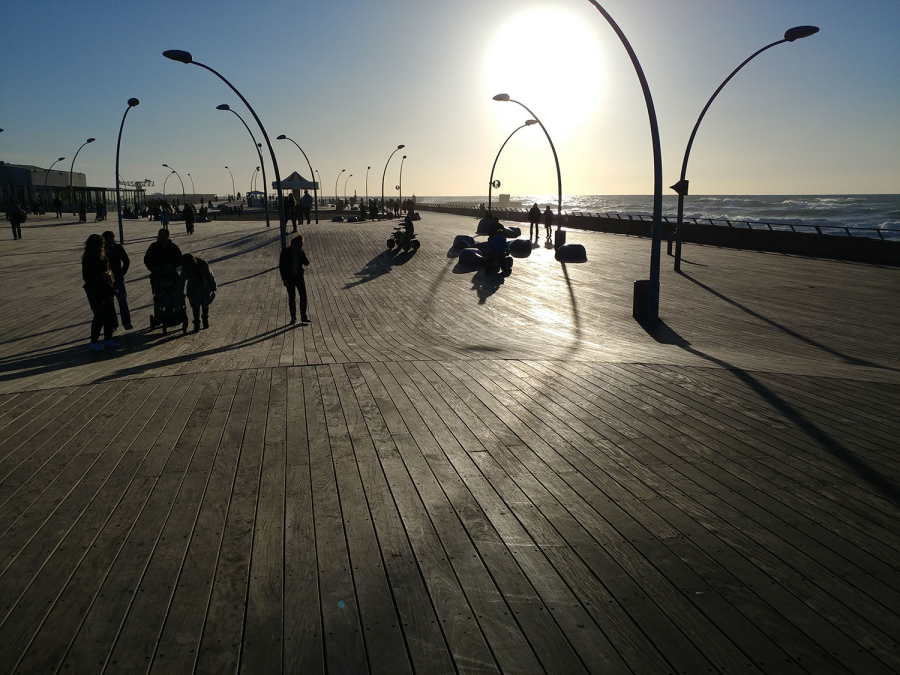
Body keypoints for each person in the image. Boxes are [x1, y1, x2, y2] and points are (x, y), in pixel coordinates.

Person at [82, 234, 119, 351]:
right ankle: (94, 341)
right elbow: (86, 276)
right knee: (99, 315)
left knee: (109, 313)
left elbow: (109, 268)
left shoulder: (102, 256)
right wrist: (101, 275)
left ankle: (108, 338)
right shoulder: (88, 257)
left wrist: (112, 282)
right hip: (94, 289)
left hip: (106, 288)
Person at [102, 230, 132, 330]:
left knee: (122, 301)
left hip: (118, 279)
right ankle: (113, 323)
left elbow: (126, 261)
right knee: (109, 304)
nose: (111, 240)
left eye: (112, 238)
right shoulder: (102, 251)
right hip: (107, 281)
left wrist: (122, 272)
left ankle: (126, 322)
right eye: (109, 238)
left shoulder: (118, 248)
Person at [180, 253, 217, 331]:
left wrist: (213, 286)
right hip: (196, 289)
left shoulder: (203, 264)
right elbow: (181, 281)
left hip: (202, 288)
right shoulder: (186, 268)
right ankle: (198, 323)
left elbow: (210, 276)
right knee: (197, 306)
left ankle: (204, 320)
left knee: (203, 304)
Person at [279, 233, 310, 325]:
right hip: (290, 278)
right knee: (292, 297)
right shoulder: (285, 252)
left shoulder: (300, 251)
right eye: (294, 246)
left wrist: (300, 253)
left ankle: (303, 316)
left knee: (303, 296)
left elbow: (306, 263)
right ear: (292, 244)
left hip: (299, 277)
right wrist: (284, 279)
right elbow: (282, 266)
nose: (295, 248)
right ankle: (293, 317)